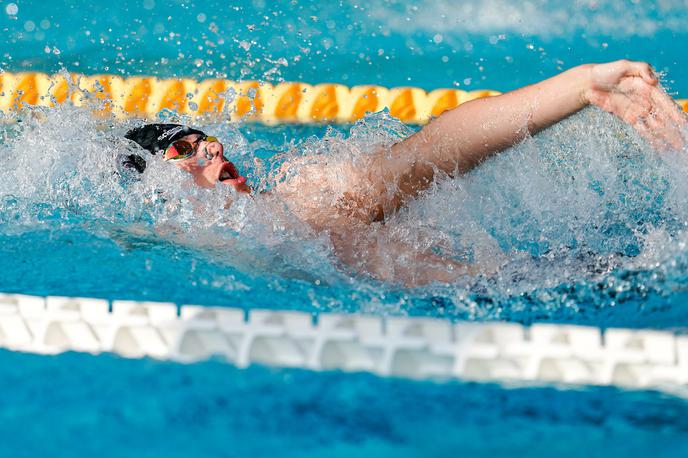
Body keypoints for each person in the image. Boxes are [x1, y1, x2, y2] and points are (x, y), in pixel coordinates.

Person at [124, 60, 687, 286]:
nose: (214, 155)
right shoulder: (170, 238)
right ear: (156, 184)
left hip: (543, 284)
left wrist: (582, 85)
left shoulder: (308, 194)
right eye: (188, 154)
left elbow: (432, 152)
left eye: (208, 143)